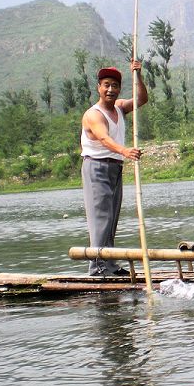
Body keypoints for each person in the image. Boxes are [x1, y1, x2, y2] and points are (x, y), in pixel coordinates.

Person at [81, 61, 147, 275]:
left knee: (111, 216)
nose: (111, 89)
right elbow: (103, 137)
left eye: (115, 85)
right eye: (106, 85)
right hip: (96, 168)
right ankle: (97, 267)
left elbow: (141, 99)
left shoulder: (118, 108)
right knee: (100, 217)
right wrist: (125, 151)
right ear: (99, 87)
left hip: (114, 168)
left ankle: (108, 263)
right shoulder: (94, 114)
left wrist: (137, 75)